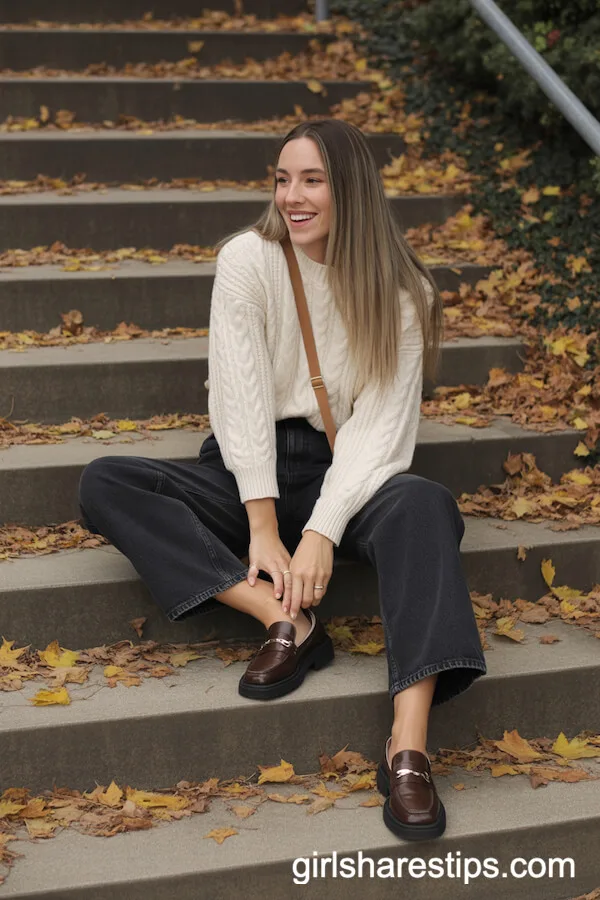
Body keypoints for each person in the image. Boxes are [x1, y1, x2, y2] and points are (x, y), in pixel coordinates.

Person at [78, 117, 487, 842]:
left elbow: (382, 429)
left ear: (351, 189)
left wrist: (324, 530)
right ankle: (283, 620)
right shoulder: (249, 259)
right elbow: (237, 396)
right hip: (248, 468)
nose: (291, 196)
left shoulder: (402, 290)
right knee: (108, 481)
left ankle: (410, 745)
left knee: (426, 504)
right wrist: (263, 526)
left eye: (312, 180)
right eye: (281, 178)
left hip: (349, 471)